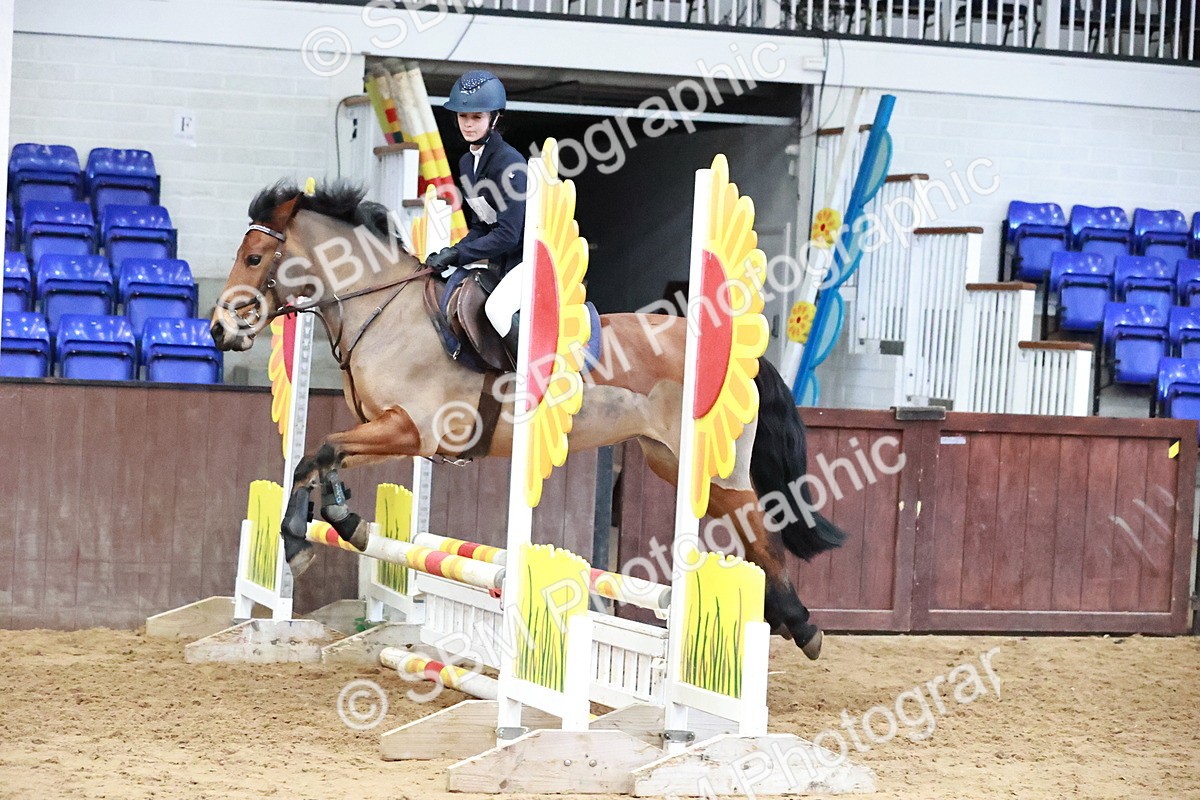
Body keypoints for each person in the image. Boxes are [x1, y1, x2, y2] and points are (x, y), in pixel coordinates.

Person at [425, 70, 527, 352]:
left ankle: (530, 375)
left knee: (496, 309)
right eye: (463, 117)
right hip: (501, 263)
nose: (468, 125)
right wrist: (451, 252)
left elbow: (507, 234)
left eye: (477, 117)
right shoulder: (467, 164)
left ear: (494, 119)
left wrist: (460, 254)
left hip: (529, 259)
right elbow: (482, 226)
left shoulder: (508, 163)